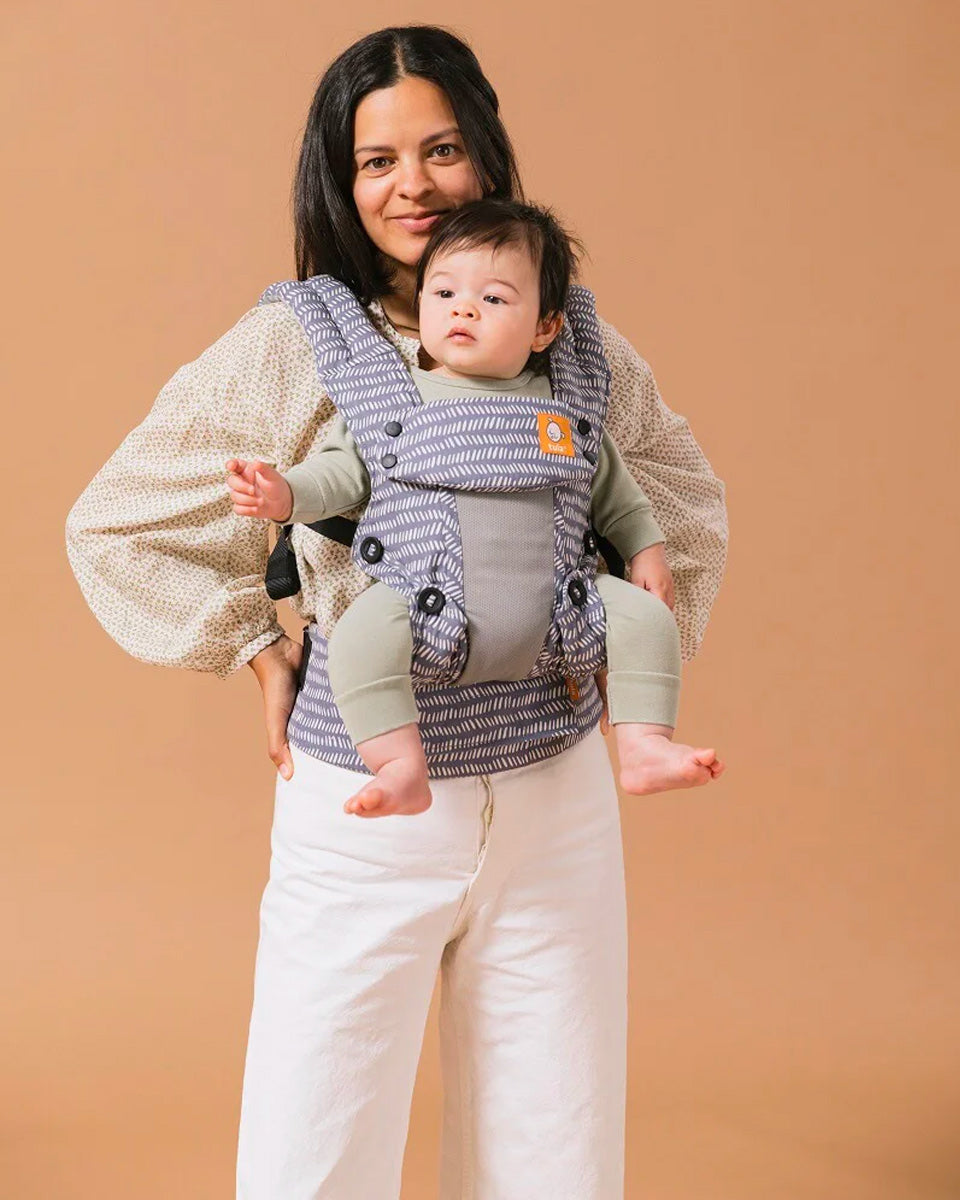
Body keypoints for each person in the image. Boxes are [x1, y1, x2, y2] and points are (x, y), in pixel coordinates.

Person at [65, 24, 728, 1200]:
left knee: (557, 1156)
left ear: (489, 158)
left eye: (442, 149)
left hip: (558, 802)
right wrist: (257, 649)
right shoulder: (300, 340)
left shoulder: (564, 331)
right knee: (313, 1157)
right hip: (369, 802)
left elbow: (673, 495)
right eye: (377, 161)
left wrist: (638, 618)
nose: (412, 184)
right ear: (340, 176)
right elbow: (114, 520)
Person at [226, 197, 724, 818]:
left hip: (562, 612)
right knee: (357, 639)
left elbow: (615, 493)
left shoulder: (563, 409)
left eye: (493, 299)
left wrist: (646, 549)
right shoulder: (391, 403)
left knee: (647, 619)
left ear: (545, 327)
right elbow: (339, 473)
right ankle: (401, 763)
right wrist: (286, 493)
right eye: (443, 293)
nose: (463, 308)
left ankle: (646, 744)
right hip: (425, 604)